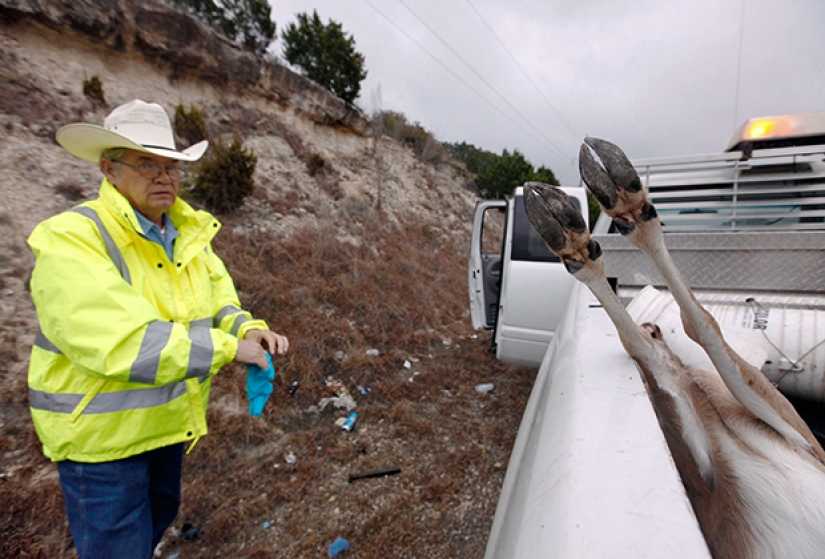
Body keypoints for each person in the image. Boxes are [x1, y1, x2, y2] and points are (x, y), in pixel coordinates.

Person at [26, 99, 288, 559]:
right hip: (101, 445)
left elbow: (218, 300)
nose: (163, 176)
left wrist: (248, 329)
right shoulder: (72, 238)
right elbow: (126, 342)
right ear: (108, 169)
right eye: (147, 164)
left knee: (152, 528)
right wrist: (230, 349)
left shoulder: (186, 235)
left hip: (165, 430)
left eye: (171, 166)